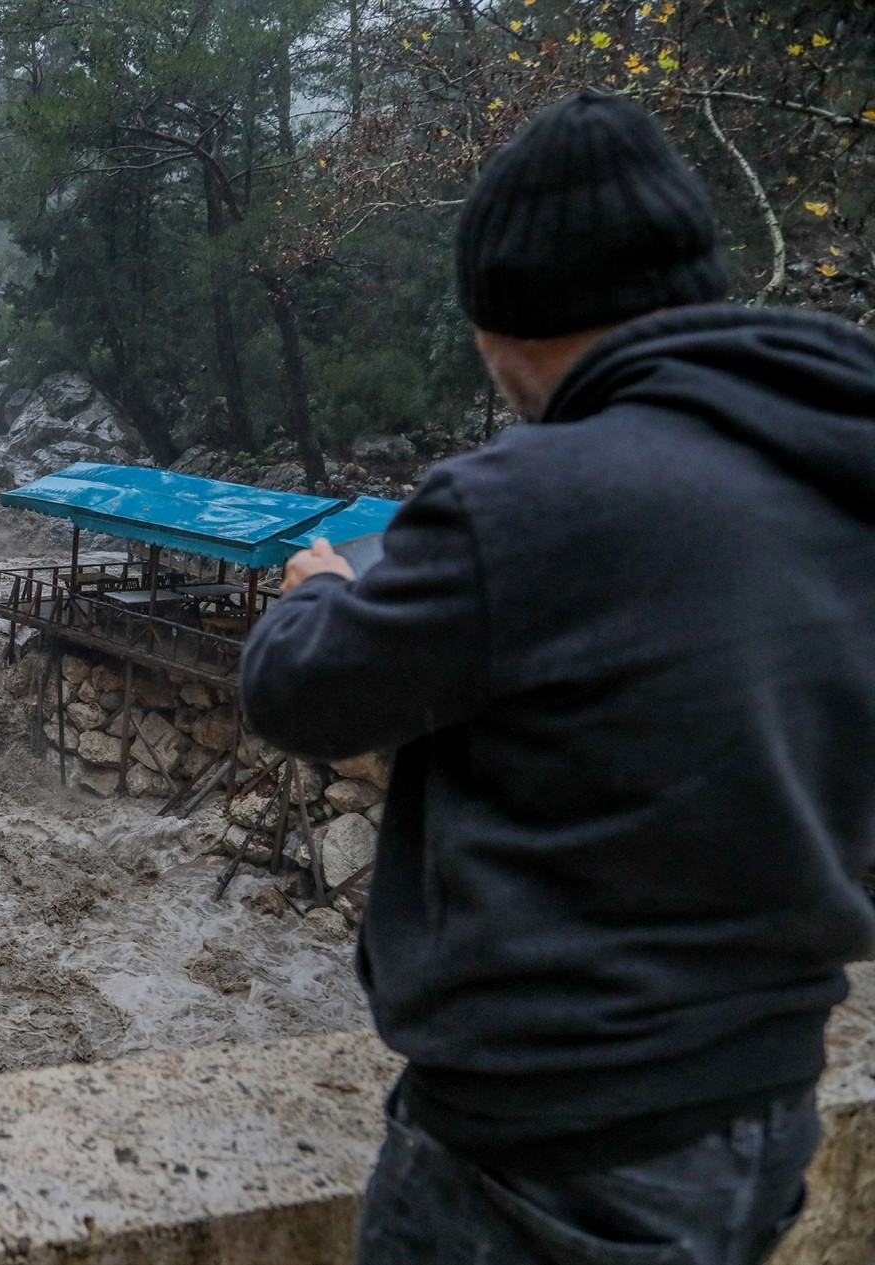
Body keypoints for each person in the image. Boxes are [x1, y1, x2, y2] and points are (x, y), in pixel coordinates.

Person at [240, 91, 875, 1264]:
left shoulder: (526, 499)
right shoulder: (839, 462)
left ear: (505, 324)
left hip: (547, 1141)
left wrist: (319, 590)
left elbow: (304, 695)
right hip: (768, 1104)